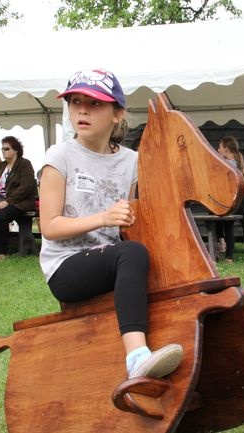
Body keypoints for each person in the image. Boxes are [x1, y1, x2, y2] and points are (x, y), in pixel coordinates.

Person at [38, 69, 183, 395]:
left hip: (114, 259)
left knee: (164, 254)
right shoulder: (58, 157)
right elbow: (49, 226)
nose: (82, 111)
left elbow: (133, 219)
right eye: (75, 103)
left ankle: (224, 331)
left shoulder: (133, 162)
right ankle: (136, 358)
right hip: (66, 265)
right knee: (131, 254)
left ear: (117, 115)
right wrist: (103, 218)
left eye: (94, 104)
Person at [215, 136, 244, 263]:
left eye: (220, 147)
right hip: (240, 204)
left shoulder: (226, 164)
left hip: (232, 203)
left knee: (217, 217)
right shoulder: (239, 162)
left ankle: (224, 247)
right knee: (216, 216)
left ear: (226, 149)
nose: (218, 150)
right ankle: (226, 251)